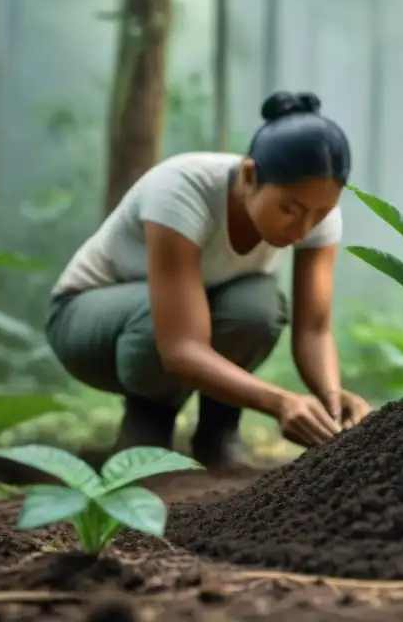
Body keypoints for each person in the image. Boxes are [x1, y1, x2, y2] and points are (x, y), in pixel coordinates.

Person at [46, 91, 372, 469]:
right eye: (289, 210)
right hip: (87, 322)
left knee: (258, 309)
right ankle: (146, 427)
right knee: (164, 322)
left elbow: (314, 330)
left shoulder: (316, 214)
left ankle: (217, 435)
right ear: (249, 176)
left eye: (320, 213)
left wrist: (332, 398)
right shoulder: (182, 189)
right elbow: (181, 345)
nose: (303, 228)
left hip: (181, 318)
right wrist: (280, 402)